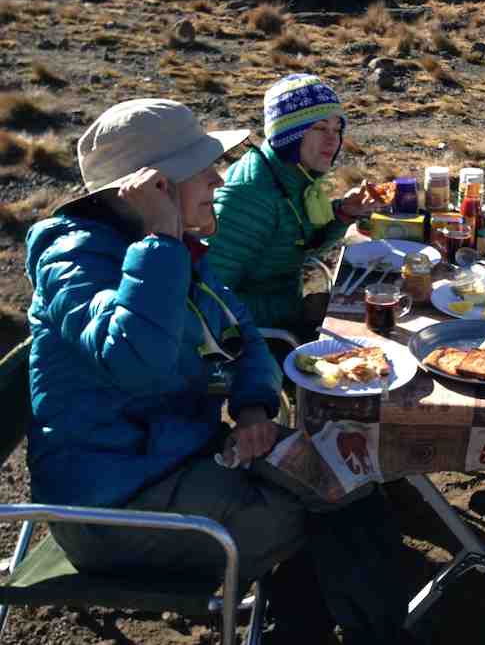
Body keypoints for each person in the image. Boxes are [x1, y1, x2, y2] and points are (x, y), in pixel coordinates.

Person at [24, 99, 407, 644]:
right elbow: (134, 360)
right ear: (149, 187)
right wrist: (159, 241)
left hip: (178, 458)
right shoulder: (77, 262)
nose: (217, 177)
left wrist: (253, 405)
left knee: (347, 479)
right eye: (200, 166)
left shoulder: (174, 249)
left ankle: (321, 630)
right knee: (317, 520)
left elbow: (241, 331)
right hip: (115, 506)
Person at [207, 74, 376, 340]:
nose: (333, 141)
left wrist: (343, 213)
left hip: (287, 309)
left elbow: (300, 240)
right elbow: (212, 301)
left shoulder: (297, 176)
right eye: (320, 128)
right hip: (258, 342)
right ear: (289, 135)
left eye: (337, 129)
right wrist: (298, 310)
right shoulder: (249, 196)